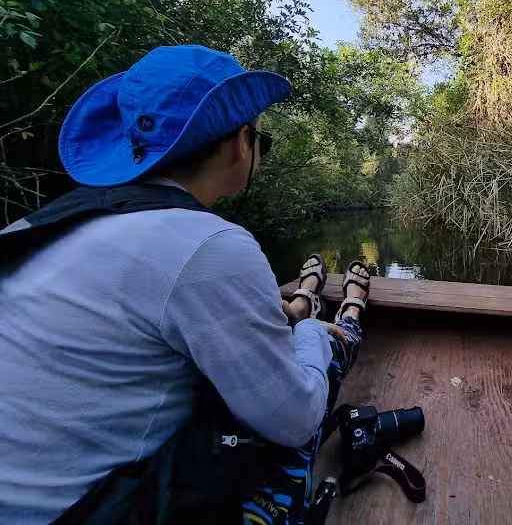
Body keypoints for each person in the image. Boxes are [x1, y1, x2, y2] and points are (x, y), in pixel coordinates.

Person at [0, 45, 371, 524]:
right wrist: (310, 333)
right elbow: (294, 418)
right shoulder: (208, 245)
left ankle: (303, 299)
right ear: (241, 143)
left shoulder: (39, 225)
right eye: (262, 140)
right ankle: (343, 313)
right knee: (310, 376)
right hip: (85, 514)